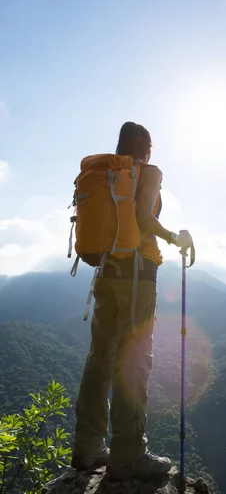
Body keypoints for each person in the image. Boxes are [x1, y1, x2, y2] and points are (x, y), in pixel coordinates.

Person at [71, 121, 193, 480]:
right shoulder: (147, 173)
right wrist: (174, 236)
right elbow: (142, 218)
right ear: (148, 148)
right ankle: (128, 454)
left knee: (99, 361)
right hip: (138, 276)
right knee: (133, 362)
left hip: (105, 273)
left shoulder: (108, 174)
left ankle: (87, 447)